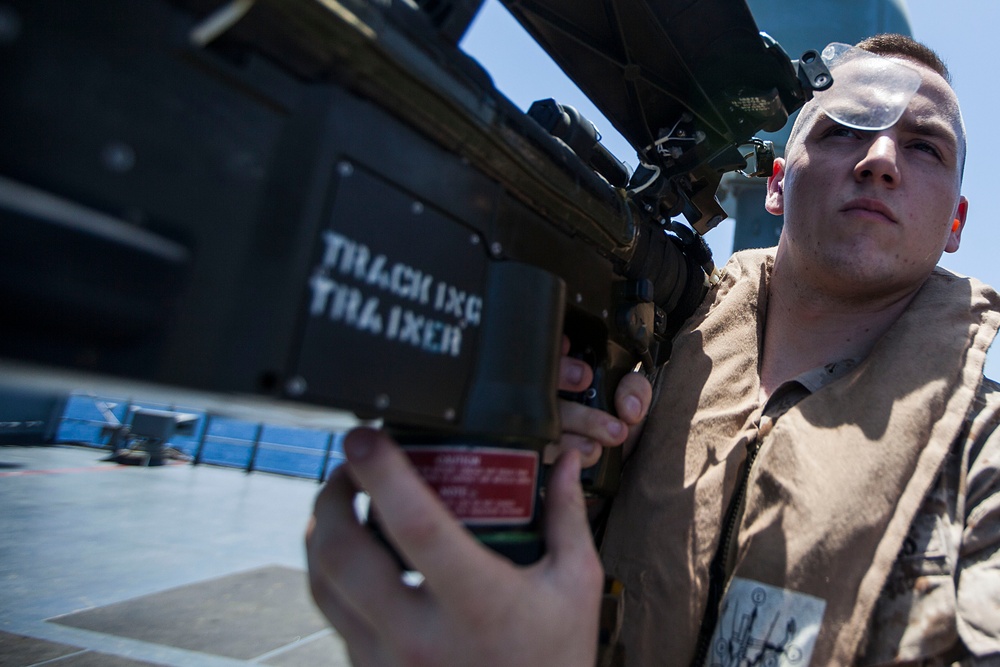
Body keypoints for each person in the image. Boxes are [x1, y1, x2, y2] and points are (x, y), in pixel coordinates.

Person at [306, 34, 1000, 666]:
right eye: (848, 130)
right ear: (780, 182)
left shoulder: (983, 455)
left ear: (956, 225)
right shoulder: (642, 347)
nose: (880, 160)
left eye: (923, 147)